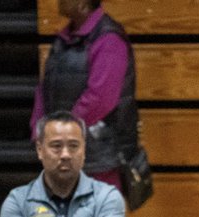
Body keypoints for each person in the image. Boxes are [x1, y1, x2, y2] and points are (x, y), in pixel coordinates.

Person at [0, 111, 125, 217]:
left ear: (84, 150)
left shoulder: (107, 196)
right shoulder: (17, 200)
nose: (65, 154)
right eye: (56, 146)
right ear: (39, 149)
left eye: (73, 146)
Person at [32, 0, 136, 192]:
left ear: (82, 4)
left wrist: (59, 133)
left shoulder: (109, 39)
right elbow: (45, 88)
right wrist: (38, 129)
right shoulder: (64, 38)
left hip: (99, 158)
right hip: (65, 154)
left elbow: (100, 99)